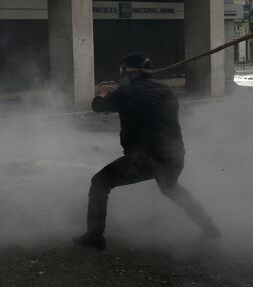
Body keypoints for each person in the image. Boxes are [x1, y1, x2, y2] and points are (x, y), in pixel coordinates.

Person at [76, 52, 220, 250]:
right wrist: (121, 92)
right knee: (170, 188)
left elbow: (97, 106)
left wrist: (103, 91)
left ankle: (94, 237)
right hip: (175, 155)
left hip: (146, 157)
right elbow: (143, 102)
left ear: (129, 73)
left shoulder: (126, 93)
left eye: (124, 72)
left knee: (100, 182)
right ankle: (209, 227)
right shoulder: (165, 90)